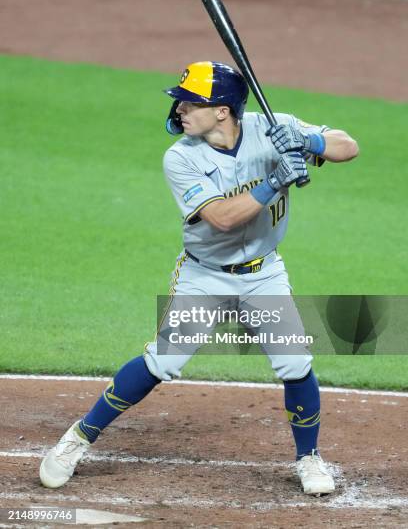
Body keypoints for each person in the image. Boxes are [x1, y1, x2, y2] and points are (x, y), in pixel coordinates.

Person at [39, 61, 359, 495]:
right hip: (204, 276)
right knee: (163, 362)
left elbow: (348, 147)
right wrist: (275, 179)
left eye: (191, 102)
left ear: (224, 110)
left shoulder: (273, 127)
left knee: (295, 362)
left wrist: (309, 140)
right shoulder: (181, 156)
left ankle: (309, 458)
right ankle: (78, 438)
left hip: (264, 273)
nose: (180, 110)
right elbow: (221, 218)